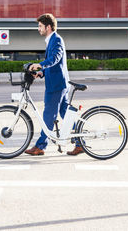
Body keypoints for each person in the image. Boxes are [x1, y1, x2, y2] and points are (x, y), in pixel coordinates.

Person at [24, 13, 84, 156]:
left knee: (48, 115)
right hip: (58, 83)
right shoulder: (51, 40)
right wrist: (42, 73)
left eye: (40, 26)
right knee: (64, 113)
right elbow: (53, 64)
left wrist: (39, 65)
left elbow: (55, 59)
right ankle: (80, 143)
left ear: (48, 27)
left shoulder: (56, 40)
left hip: (56, 85)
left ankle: (40, 146)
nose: (38, 29)